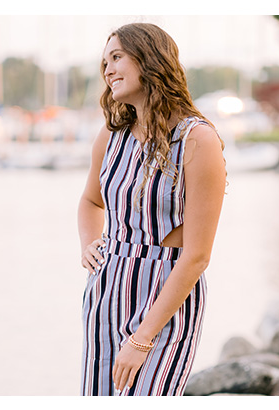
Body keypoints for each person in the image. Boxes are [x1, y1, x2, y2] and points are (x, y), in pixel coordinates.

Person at [77, 22, 226, 396]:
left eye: (116, 57)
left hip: (166, 297)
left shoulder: (197, 139)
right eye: (104, 61)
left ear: (150, 59)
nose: (107, 69)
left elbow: (197, 257)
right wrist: (89, 244)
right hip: (106, 290)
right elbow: (90, 201)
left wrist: (142, 339)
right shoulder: (112, 134)